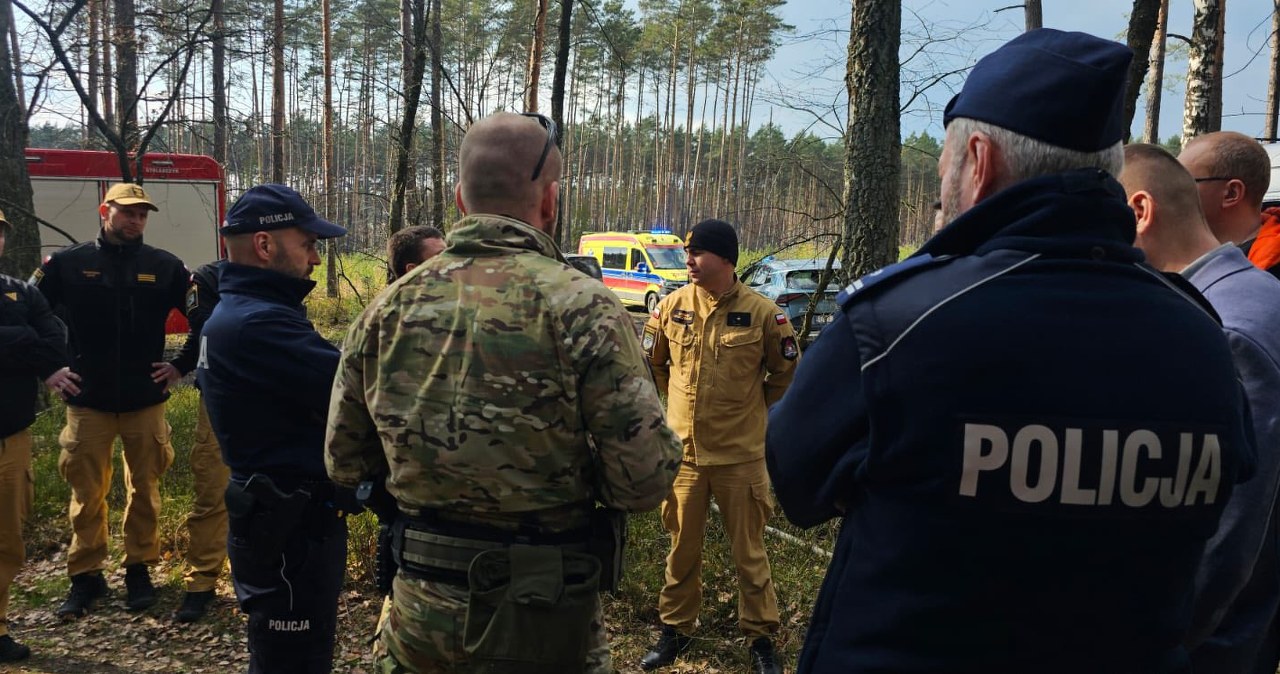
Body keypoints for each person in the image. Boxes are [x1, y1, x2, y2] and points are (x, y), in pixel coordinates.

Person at [765, 29, 1254, 673]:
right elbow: (1226, 524)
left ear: (980, 158)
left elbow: (797, 487)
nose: (944, 188)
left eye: (945, 167)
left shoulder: (898, 324)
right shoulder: (1203, 338)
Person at [326, 111, 682, 673]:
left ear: (461, 202)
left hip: (418, 614)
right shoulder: (584, 307)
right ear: (550, 201)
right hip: (544, 621)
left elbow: (344, 462)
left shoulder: (388, 308)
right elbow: (642, 480)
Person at [1120, 142, 1280, 674]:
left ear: (1140, 212)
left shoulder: (1227, 329)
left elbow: (1233, 529)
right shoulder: (1251, 298)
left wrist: (1155, 646)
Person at [196, 184, 351, 673]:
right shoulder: (258, 323)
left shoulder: (251, 313)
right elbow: (360, 388)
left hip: (285, 518)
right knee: (291, 661)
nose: (316, 260)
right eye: (308, 244)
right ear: (265, 246)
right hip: (286, 526)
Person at [639, 217, 798, 674]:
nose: (687, 260)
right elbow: (654, 365)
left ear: (726, 259)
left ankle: (762, 640)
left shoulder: (765, 313)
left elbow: (784, 373)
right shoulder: (670, 307)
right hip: (684, 456)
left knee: (750, 553)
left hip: (739, 459)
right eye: (687, 252)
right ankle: (675, 630)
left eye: (696, 253)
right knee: (681, 547)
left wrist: (753, 412)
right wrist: (673, 412)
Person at [32, 182, 189, 620]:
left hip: (145, 399)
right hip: (89, 400)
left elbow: (205, 314)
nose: (136, 220)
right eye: (128, 212)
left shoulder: (165, 266)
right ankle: (85, 576)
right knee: (87, 493)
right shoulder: (67, 264)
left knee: (146, 489)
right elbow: (30, 313)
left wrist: (182, 363)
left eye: (143, 213)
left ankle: (139, 568)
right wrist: (51, 368)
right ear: (106, 210)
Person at [0, 209, 66, 661]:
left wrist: (17, 338)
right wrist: (21, 340)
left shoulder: (22, 292)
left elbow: (55, 342)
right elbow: (35, 344)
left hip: (10, 438)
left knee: (6, 541)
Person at [166, 258, 229, 623]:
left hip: (272, 396)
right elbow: (203, 326)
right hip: (220, 397)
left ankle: (268, 576)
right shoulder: (209, 277)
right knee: (212, 490)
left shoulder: (289, 272)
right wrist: (180, 364)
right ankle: (201, 582)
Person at [1178, 131, 1280, 280]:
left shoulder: (1273, 270)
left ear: (1231, 193)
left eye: (1184, 181)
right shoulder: (1180, 257)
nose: (1172, 190)